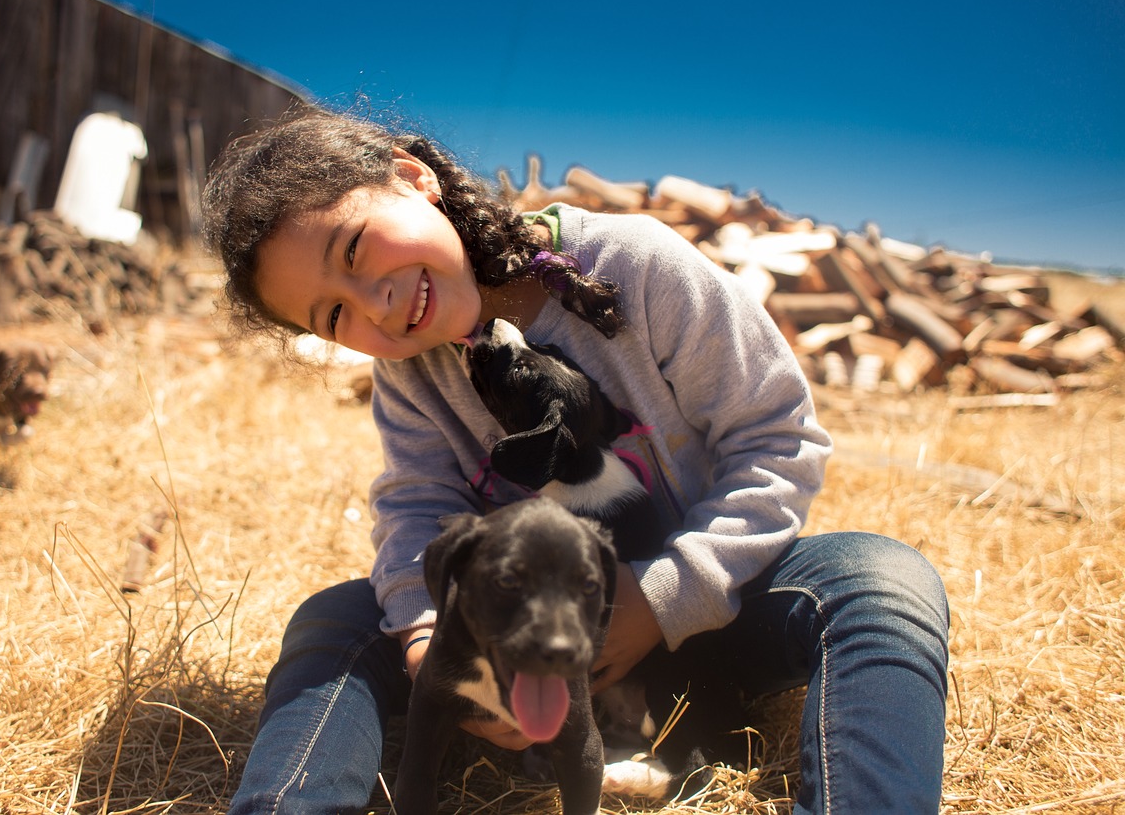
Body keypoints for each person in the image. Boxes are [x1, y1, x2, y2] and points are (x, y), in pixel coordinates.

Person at [201, 106, 950, 815]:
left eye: (356, 249)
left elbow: (778, 439)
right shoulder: (410, 374)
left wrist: (660, 599)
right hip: (521, 635)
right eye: (334, 315)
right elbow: (414, 512)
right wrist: (430, 636)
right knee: (338, 619)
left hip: (713, 617)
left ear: (411, 177)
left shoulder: (636, 263)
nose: (375, 305)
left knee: (882, 581)